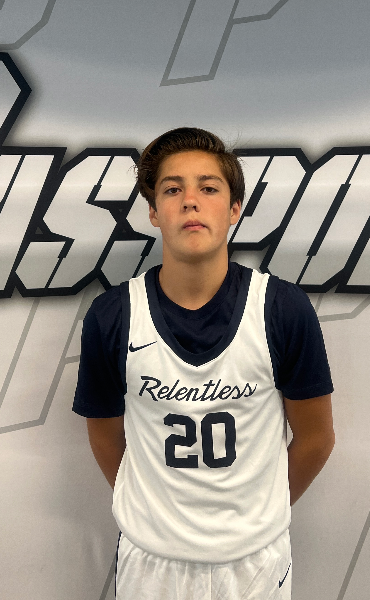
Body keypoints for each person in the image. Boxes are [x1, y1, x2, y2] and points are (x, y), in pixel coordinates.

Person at [73, 127, 335, 600]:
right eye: (172, 189)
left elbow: (317, 438)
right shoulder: (113, 315)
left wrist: (258, 516)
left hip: (254, 562)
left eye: (209, 188)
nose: (190, 201)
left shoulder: (281, 309)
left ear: (234, 209)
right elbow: (105, 436)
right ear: (154, 212)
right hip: (151, 561)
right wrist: (156, 516)